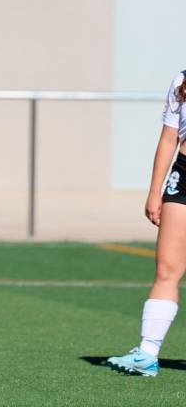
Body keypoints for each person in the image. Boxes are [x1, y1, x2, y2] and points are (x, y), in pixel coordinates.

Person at [107, 70, 186, 377]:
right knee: (167, 268)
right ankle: (147, 354)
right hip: (182, 178)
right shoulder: (182, 80)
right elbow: (169, 138)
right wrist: (155, 190)